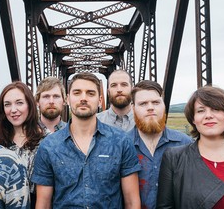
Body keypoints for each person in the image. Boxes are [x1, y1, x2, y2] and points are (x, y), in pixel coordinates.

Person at [32, 72, 142, 209]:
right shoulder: (49, 146)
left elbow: (132, 202)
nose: (83, 98)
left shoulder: (121, 142)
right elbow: (43, 204)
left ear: (100, 100)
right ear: (67, 99)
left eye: (90, 93)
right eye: (77, 93)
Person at [157, 86, 224, 208]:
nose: (208, 115)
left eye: (216, 109)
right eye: (201, 111)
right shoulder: (174, 158)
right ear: (193, 119)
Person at [128, 80, 193, 209]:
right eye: (143, 104)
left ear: (163, 105)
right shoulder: (121, 145)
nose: (150, 107)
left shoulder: (185, 143)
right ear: (132, 107)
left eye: (156, 102)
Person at [0, 81, 43, 208]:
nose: (13, 110)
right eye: (7, 104)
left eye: (19, 103)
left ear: (30, 105)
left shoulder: (46, 141)